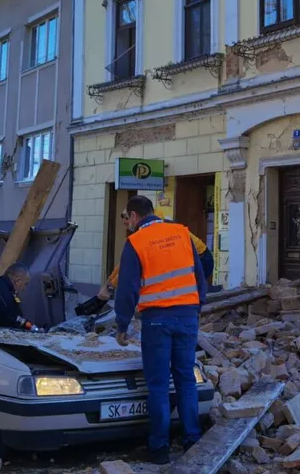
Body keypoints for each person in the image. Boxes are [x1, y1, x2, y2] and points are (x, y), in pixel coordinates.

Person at [113, 195, 206, 465]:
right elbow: (199, 276)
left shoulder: (136, 242)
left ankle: (159, 449)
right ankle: (192, 441)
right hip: (188, 316)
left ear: (133, 216)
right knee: (186, 379)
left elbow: (128, 288)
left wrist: (122, 324)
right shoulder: (181, 233)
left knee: (158, 386)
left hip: (156, 320)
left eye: (125, 218)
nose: (126, 223)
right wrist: (195, 308)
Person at [98, 222, 213, 301]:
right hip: (192, 255)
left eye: (126, 221)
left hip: (202, 257)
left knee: (185, 291)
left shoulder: (150, 234)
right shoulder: (150, 228)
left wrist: (110, 287)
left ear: (134, 216)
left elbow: (129, 266)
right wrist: (108, 283)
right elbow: (124, 263)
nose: (127, 226)